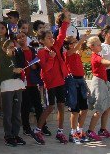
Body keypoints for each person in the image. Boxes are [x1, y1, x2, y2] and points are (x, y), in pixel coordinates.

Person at [34, 11, 70, 144]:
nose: (51, 39)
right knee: (49, 107)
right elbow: (45, 68)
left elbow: (61, 35)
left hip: (60, 80)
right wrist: (51, 58)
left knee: (61, 106)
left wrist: (65, 21)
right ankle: (38, 130)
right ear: (42, 41)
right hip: (49, 83)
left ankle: (60, 132)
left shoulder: (55, 46)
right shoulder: (41, 52)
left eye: (51, 37)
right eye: (48, 38)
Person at [86, 36, 110, 141]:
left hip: (104, 81)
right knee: (99, 108)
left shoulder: (99, 54)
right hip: (98, 82)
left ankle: (102, 130)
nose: (100, 46)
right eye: (98, 45)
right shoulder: (96, 56)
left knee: (108, 107)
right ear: (92, 47)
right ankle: (90, 131)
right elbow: (107, 63)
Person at [0, 38, 25, 147]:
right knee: (8, 113)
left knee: (17, 112)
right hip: (6, 86)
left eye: (14, 47)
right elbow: (0, 74)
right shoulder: (1, 58)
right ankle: (8, 135)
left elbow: (22, 64)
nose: (13, 49)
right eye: (10, 47)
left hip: (17, 85)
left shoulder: (16, 56)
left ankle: (15, 134)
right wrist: (12, 70)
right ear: (4, 48)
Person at [63, 33, 91, 143]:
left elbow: (81, 71)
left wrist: (86, 86)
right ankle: (72, 132)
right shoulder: (67, 53)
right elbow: (74, 50)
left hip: (80, 81)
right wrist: (81, 40)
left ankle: (80, 131)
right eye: (73, 42)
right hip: (72, 81)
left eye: (76, 42)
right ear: (69, 45)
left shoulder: (77, 54)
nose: (76, 44)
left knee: (84, 108)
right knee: (74, 110)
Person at [16, 30, 43, 137]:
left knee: (38, 106)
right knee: (25, 106)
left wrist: (35, 66)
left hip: (32, 82)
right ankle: (26, 128)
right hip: (23, 83)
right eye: (19, 37)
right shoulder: (17, 51)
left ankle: (41, 126)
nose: (22, 38)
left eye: (23, 36)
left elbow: (37, 64)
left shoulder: (32, 50)